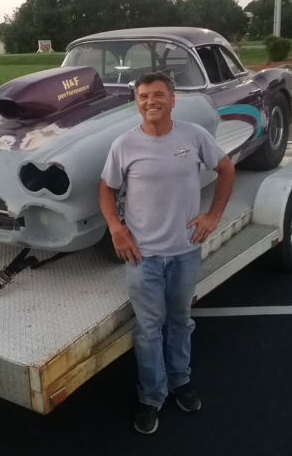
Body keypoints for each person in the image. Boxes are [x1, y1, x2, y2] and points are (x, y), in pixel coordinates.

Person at [99, 72, 235, 434]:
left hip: (185, 252)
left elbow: (226, 168)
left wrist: (214, 215)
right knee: (147, 330)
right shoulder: (124, 145)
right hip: (142, 257)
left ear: (173, 100)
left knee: (180, 322)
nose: (150, 101)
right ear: (137, 102)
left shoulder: (193, 136)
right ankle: (151, 397)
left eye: (158, 94)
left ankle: (181, 382)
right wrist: (116, 228)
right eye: (143, 96)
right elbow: (106, 188)